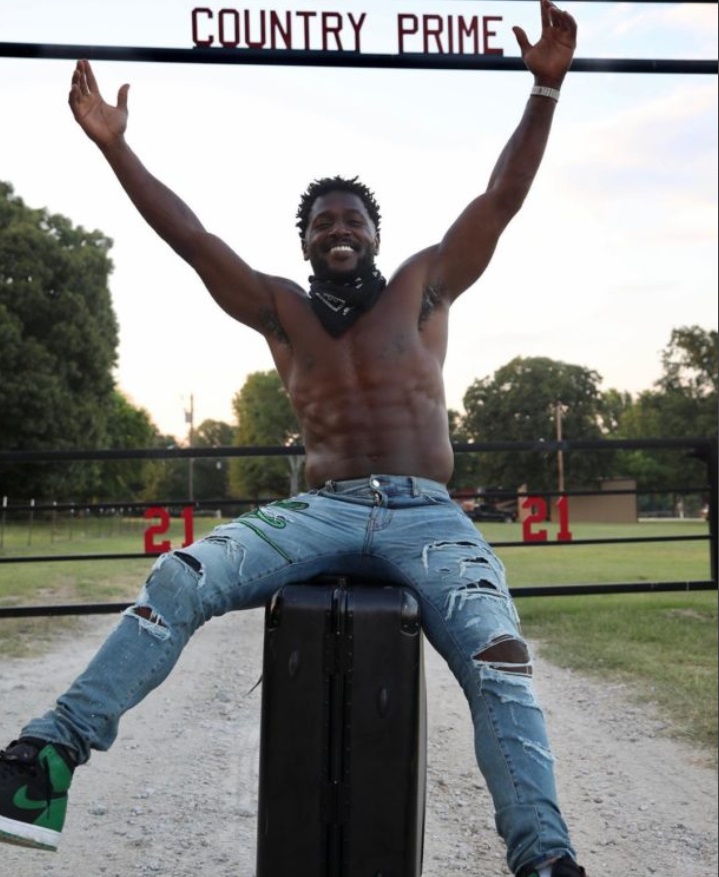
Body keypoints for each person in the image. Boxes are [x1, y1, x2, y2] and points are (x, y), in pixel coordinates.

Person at [0, 2, 586, 875]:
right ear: (306, 242)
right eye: (323, 222)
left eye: (353, 219)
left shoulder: (425, 285)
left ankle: (545, 859)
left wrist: (542, 89)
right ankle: (49, 754)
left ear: (375, 234)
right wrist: (115, 146)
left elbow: (500, 199)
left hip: (429, 516)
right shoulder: (281, 308)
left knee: (498, 657)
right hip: (321, 509)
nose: (339, 228)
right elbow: (190, 238)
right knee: (181, 573)